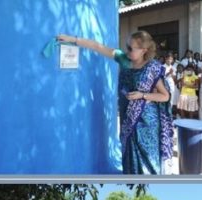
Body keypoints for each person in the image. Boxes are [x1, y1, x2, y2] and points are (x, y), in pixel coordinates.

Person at [56, 31, 173, 174]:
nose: (127, 51)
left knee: (148, 160)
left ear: (144, 50)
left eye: (131, 48)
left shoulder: (151, 68)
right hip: (127, 116)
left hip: (146, 122)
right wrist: (71, 39)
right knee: (129, 153)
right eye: (126, 46)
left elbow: (165, 96)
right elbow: (97, 46)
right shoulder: (123, 60)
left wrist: (142, 95)